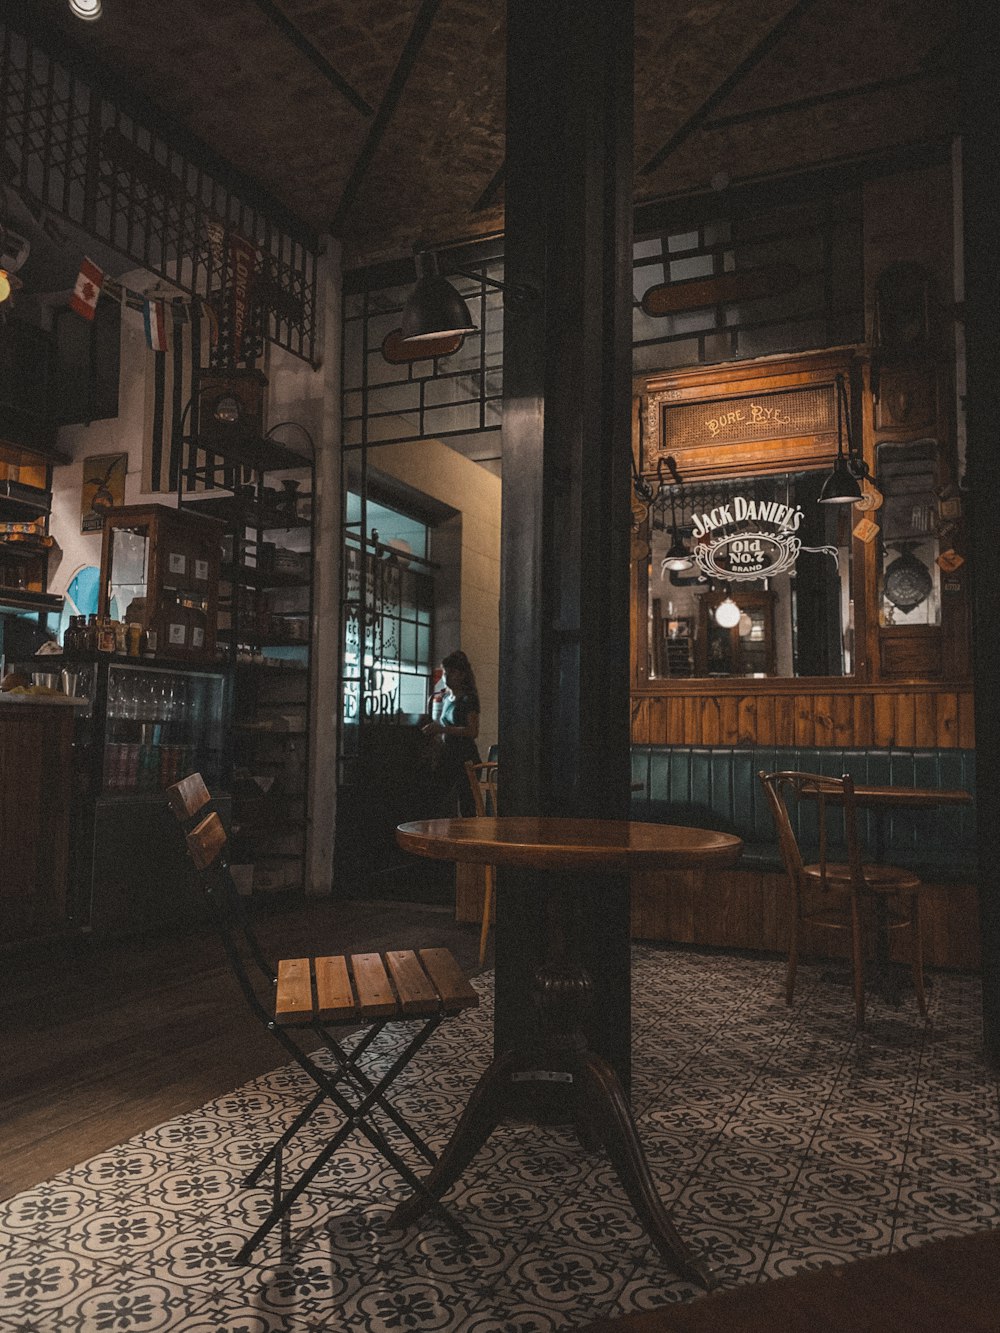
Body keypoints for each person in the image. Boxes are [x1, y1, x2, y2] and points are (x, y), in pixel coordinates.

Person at [422, 649, 481, 815]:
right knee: (440, 799)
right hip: (448, 756)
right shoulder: (447, 699)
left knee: (467, 804)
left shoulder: (468, 699)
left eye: (451, 673)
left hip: (465, 757)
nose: (446, 677)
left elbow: (472, 731)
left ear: (462, 675)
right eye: (445, 673)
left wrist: (442, 729)